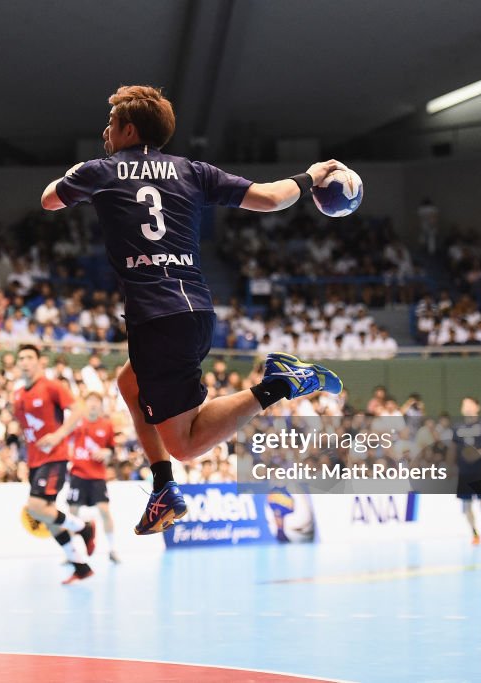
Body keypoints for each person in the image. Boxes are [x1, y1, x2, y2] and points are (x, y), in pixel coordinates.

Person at [40, 85, 343, 534]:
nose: (105, 133)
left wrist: (75, 171)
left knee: (185, 445)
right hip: (192, 310)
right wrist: (311, 177)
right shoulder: (192, 170)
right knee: (129, 383)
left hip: (158, 320)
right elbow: (272, 198)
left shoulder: (100, 170)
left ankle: (280, 384)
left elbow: (49, 199)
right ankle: (163, 486)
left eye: (110, 125)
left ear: (127, 128)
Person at [13, 344, 96, 584]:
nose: (25, 361)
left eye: (29, 357)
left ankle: (84, 528)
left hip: (55, 458)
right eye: (21, 358)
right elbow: (25, 429)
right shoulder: (18, 394)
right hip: (34, 462)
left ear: (40, 362)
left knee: (36, 507)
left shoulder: (51, 387)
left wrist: (59, 436)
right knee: (48, 519)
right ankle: (81, 567)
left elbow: (78, 409)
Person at [67, 392, 120, 563]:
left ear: (100, 405)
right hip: (77, 474)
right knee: (72, 513)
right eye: (90, 401)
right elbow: (65, 442)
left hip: (97, 477)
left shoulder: (107, 425)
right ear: (85, 404)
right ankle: (70, 552)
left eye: (97, 402)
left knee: (104, 511)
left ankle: (112, 549)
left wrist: (107, 452)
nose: (93, 404)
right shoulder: (75, 423)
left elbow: (112, 450)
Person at [452, 397, 481, 545]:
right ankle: (475, 533)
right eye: (464, 405)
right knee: (467, 506)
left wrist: (479, 453)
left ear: (478, 407)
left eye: (470, 404)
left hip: (479, 471)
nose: (467, 407)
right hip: (464, 472)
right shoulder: (457, 428)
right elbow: (453, 450)